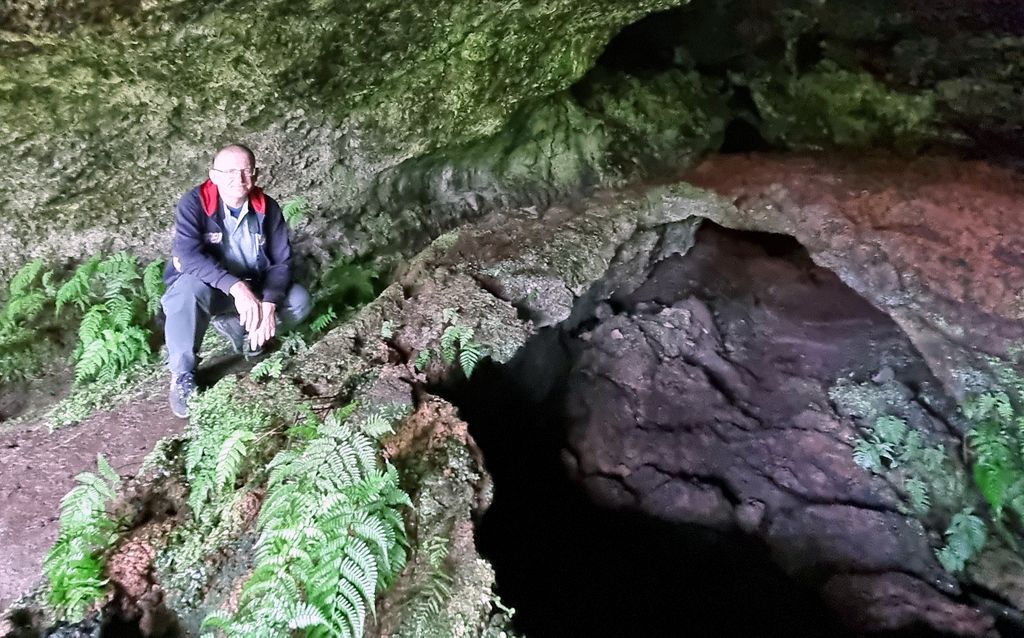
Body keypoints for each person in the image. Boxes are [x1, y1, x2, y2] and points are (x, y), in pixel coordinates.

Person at [161, 144, 311, 417]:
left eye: (245, 171)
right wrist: (236, 287)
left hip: (252, 285)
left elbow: (281, 262)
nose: (239, 179)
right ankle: (182, 375)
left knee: (299, 301)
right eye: (229, 171)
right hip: (210, 288)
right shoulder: (195, 203)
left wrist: (270, 302)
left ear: (255, 173)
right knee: (186, 291)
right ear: (213, 175)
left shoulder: (267, 208)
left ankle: (244, 332)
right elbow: (188, 256)